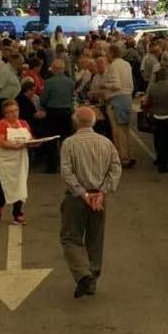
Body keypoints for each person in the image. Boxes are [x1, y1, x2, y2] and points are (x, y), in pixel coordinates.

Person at [60, 107, 122, 298]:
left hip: (77, 197)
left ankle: (82, 274)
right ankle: (93, 277)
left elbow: (67, 172)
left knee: (70, 237)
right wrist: (103, 191)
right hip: (99, 197)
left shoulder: (69, 143)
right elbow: (115, 168)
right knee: (95, 239)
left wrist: (82, 193)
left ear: (76, 121)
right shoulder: (106, 143)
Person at [0, 99, 44, 225]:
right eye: (10, 112)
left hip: (21, 160)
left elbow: (30, 139)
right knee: (4, 185)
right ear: (5, 114)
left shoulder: (24, 123)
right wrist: (12, 146)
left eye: (15, 110)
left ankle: (18, 213)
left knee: (21, 185)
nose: (13, 114)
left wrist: (36, 143)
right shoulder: (2, 124)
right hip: (6, 160)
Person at [102, 45, 135, 168]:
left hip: (116, 99)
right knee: (126, 130)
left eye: (107, 53)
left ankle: (123, 158)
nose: (106, 56)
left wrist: (105, 85)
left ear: (111, 53)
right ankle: (130, 155)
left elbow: (116, 84)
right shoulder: (126, 64)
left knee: (118, 131)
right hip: (127, 98)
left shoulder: (113, 66)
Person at [41, 59, 76, 173]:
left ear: (53, 69)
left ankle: (52, 166)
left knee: (51, 139)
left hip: (52, 113)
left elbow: (44, 100)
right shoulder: (70, 82)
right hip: (66, 112)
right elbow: (72, 97)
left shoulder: (48, 82)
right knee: (66, 140)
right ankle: (67, 166)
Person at [144, 68, 168, 174]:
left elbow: (148, 101)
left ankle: (162, 166)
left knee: (161, 142)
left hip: (157, 117)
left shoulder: (153, 87)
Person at [0, 55, 22, 122]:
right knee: (4, 121)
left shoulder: (12, 69)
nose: (21, 64)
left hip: (10, 99)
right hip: (3, 100)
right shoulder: (5, 71)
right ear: (13, 61)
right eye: (20, 62)